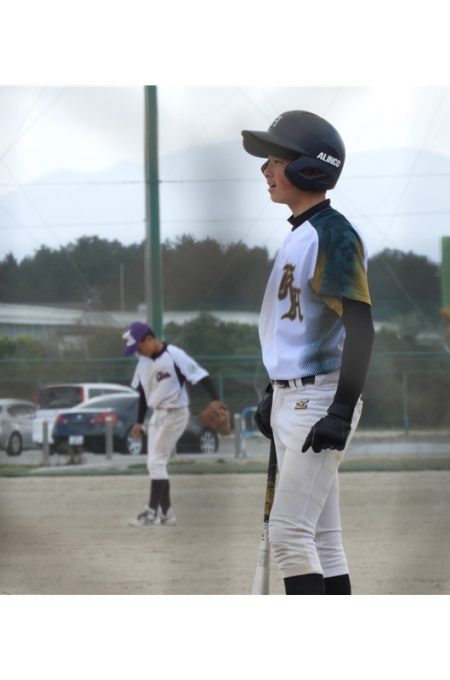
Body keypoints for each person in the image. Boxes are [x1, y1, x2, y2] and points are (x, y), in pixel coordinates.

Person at [241, 110, 375, 595]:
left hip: (318, 401)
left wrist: (339, 410)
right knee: (321, 538)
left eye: (276, 160)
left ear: (309, 168)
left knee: (289, 535)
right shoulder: (300, 233)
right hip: (293, 398)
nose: (266, 170)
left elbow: (361, 330)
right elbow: (293, 332)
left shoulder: (331, 235)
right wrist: (272, 391)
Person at [122, 321, 221, 527]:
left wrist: (215, 399)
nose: (138, 352)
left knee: (156, 462)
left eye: (139, 347)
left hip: (176, 413)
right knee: (155, 464)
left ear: (149, 339)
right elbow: (143, 394)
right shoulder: (143, 362)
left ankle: (151, 513)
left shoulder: (174, 354)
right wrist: (139, 422)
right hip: (156, 415)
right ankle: (167, 514)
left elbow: (201, 375)